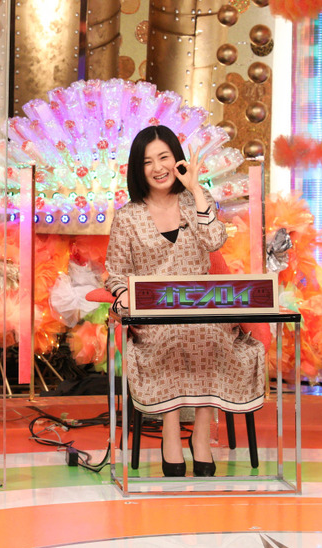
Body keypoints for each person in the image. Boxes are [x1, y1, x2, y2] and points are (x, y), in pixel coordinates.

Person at [105, 125, 265, 477]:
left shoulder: (196, 203)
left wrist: (196, 189)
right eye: (148, 161)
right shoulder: (128, 216)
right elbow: (115, 273)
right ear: (138, 168)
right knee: (171, 336)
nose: (158, 167)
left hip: (202, 310)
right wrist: (124, 294)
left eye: (164, 157)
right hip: (155, 317)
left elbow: (214, 241)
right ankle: (170, 434)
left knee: (210, 335)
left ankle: (201, 436)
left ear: (177, 160)